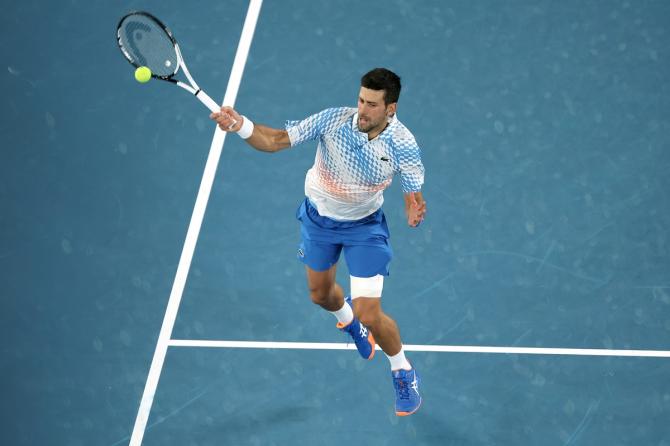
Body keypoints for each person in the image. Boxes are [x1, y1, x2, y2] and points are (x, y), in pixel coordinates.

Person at [210, 68, 426, 416]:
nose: (362, 110)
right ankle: (351, 325)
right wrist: (240, 126)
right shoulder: (333, 121)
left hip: (364, 228)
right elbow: (277, 140)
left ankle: (402, 370)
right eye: (360, 100)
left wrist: (413, 208)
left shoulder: (403, 145)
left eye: (372, 104)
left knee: (371, 311)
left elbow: (412, 191)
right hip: (318, 220)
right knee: (321, 295)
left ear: (391, 109)